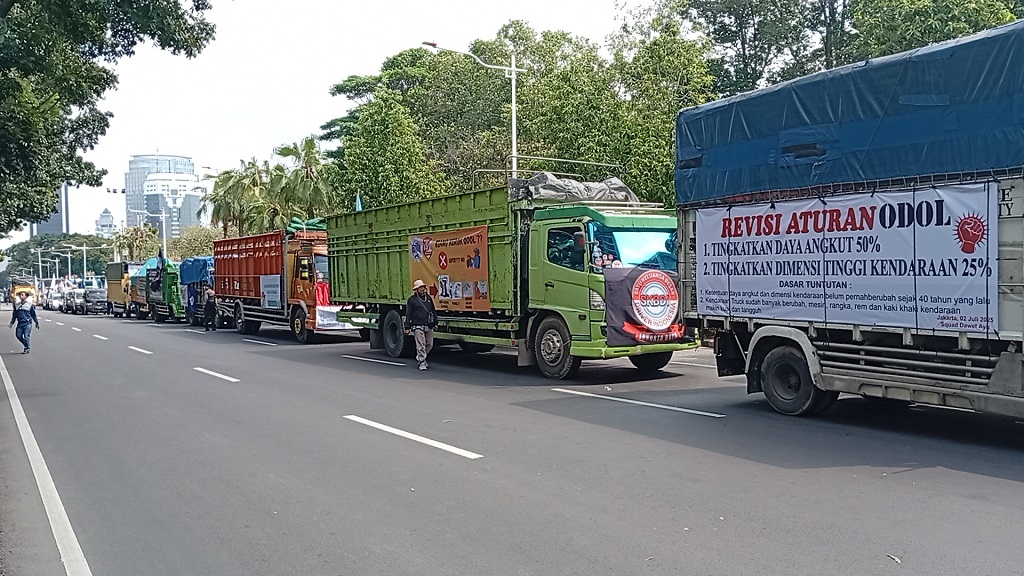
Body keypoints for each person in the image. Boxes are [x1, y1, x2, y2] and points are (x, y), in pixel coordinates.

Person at [406, 279, 437, 371]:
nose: (422, 289)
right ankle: (422, 361)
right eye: (420, 287)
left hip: (428, 324)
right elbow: (408, 313)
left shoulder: (428, 298)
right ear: (416, 289)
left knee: (429, 344)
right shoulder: (412, 300)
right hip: (417, 325)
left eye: (423, 287)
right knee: (421, 344)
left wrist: (435, 323)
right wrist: (407, 326)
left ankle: (421, 356)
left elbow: (433, 311)